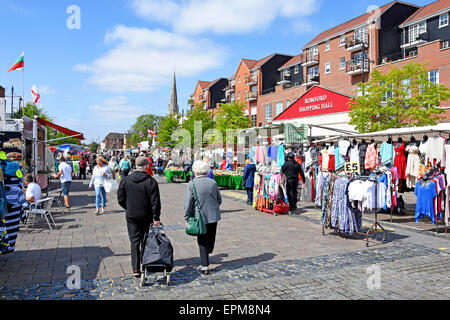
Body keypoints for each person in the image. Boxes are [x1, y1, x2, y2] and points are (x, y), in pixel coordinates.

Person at [117, 156, 161, 278]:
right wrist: (156, 217)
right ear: (147, 167)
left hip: (131, 215)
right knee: (145, 240)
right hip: (146, 215)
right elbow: (155, 202)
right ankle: (145, 264)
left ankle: (135, 268)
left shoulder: (126, 180)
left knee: (134, 241)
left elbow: (120, 198)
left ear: (135, 166)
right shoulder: (151, 181)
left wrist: (128, 207)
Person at [184, 160, 222, 275]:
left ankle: (205, 265)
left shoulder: (192, 184)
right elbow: (219, 199)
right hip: (213, 215)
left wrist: (187, 217)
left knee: (202, 240)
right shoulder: (212, 183)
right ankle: (207, 253)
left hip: (199, 216)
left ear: (195, 171)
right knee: (211, 236)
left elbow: (188, 204)